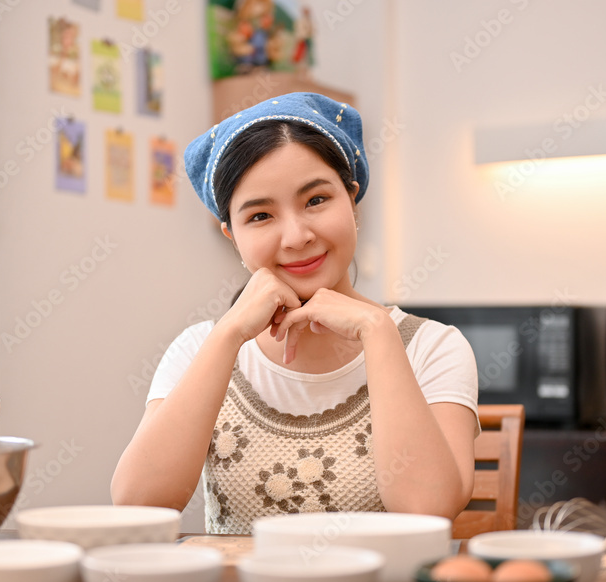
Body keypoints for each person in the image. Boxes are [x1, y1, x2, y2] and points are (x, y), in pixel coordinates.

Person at [111, 93, 479, 533]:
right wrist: (228, 336)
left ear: (352, 200)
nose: (296, 235)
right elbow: (138, 504)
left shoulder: (432, 348)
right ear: (232, 235)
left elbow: (427, 510)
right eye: (261, 215)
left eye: (316, 200)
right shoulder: (197, 349)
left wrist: (377, 331)